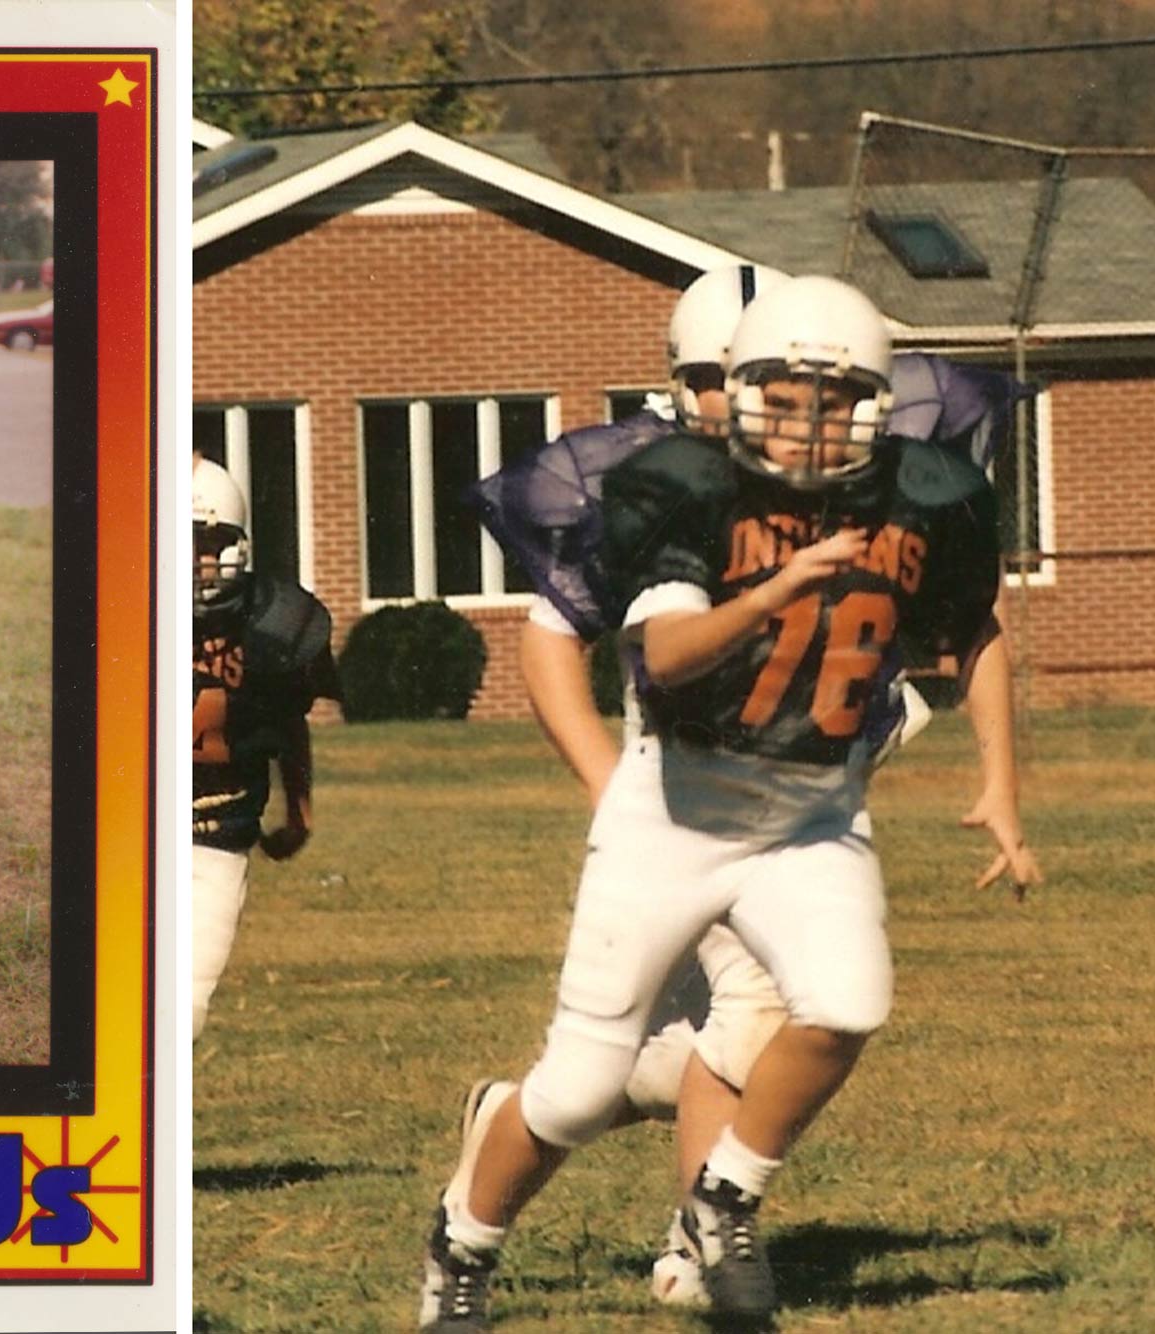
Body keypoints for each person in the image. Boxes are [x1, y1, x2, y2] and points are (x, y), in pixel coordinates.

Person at [420, 274, 1040, 1327]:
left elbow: (972, 628)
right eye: (780, 397)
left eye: (831, 400)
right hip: (674, 807)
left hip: (811, 810)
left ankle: (722, 1196)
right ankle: (460, 1244)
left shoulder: (917, 495)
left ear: (874, 408)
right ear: (738, 395)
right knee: (573, 1088)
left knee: (845, 1002)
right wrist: (774, 588)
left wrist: (999, 787)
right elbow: (662, 652)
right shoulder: (685, 485)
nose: (803, 424)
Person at [191, 455, 339, 1041]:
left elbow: (288, 722)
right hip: (133, 836)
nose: (203, 559)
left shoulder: (275, 622)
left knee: (188, 1011)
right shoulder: (128, 612)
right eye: (188, 541)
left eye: (215, 541)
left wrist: (299, 809)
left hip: (219, 833)